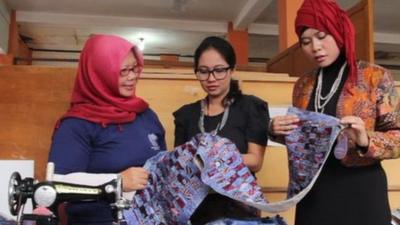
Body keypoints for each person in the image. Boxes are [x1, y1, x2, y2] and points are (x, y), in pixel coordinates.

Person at [269, 0, 400, 225]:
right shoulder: (303, 85)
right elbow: (305, 139)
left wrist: (364, 139)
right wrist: (275, 130)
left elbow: (397, 138)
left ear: (338, 31)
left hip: (361, 191)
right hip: (315, 192)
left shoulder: (375, 77)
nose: (315, 47)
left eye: (322, 36)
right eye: (306, 42)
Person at [48, 34, 166, 225]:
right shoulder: (77, 124)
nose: (132, 77)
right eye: (123, 71)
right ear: (100, 74)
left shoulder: (146, 115)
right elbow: (56, 183)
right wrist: (116, 182)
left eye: (135, 69)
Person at [173, 36, 270, 224]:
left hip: (238, 208)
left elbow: (255, 161)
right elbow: (180, 164)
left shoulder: (251, 107)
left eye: (219, 70)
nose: (211, 79)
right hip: (196, 207)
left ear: (232, 69)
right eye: (203, 71)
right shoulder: (186, 115)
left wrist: (208, 156)